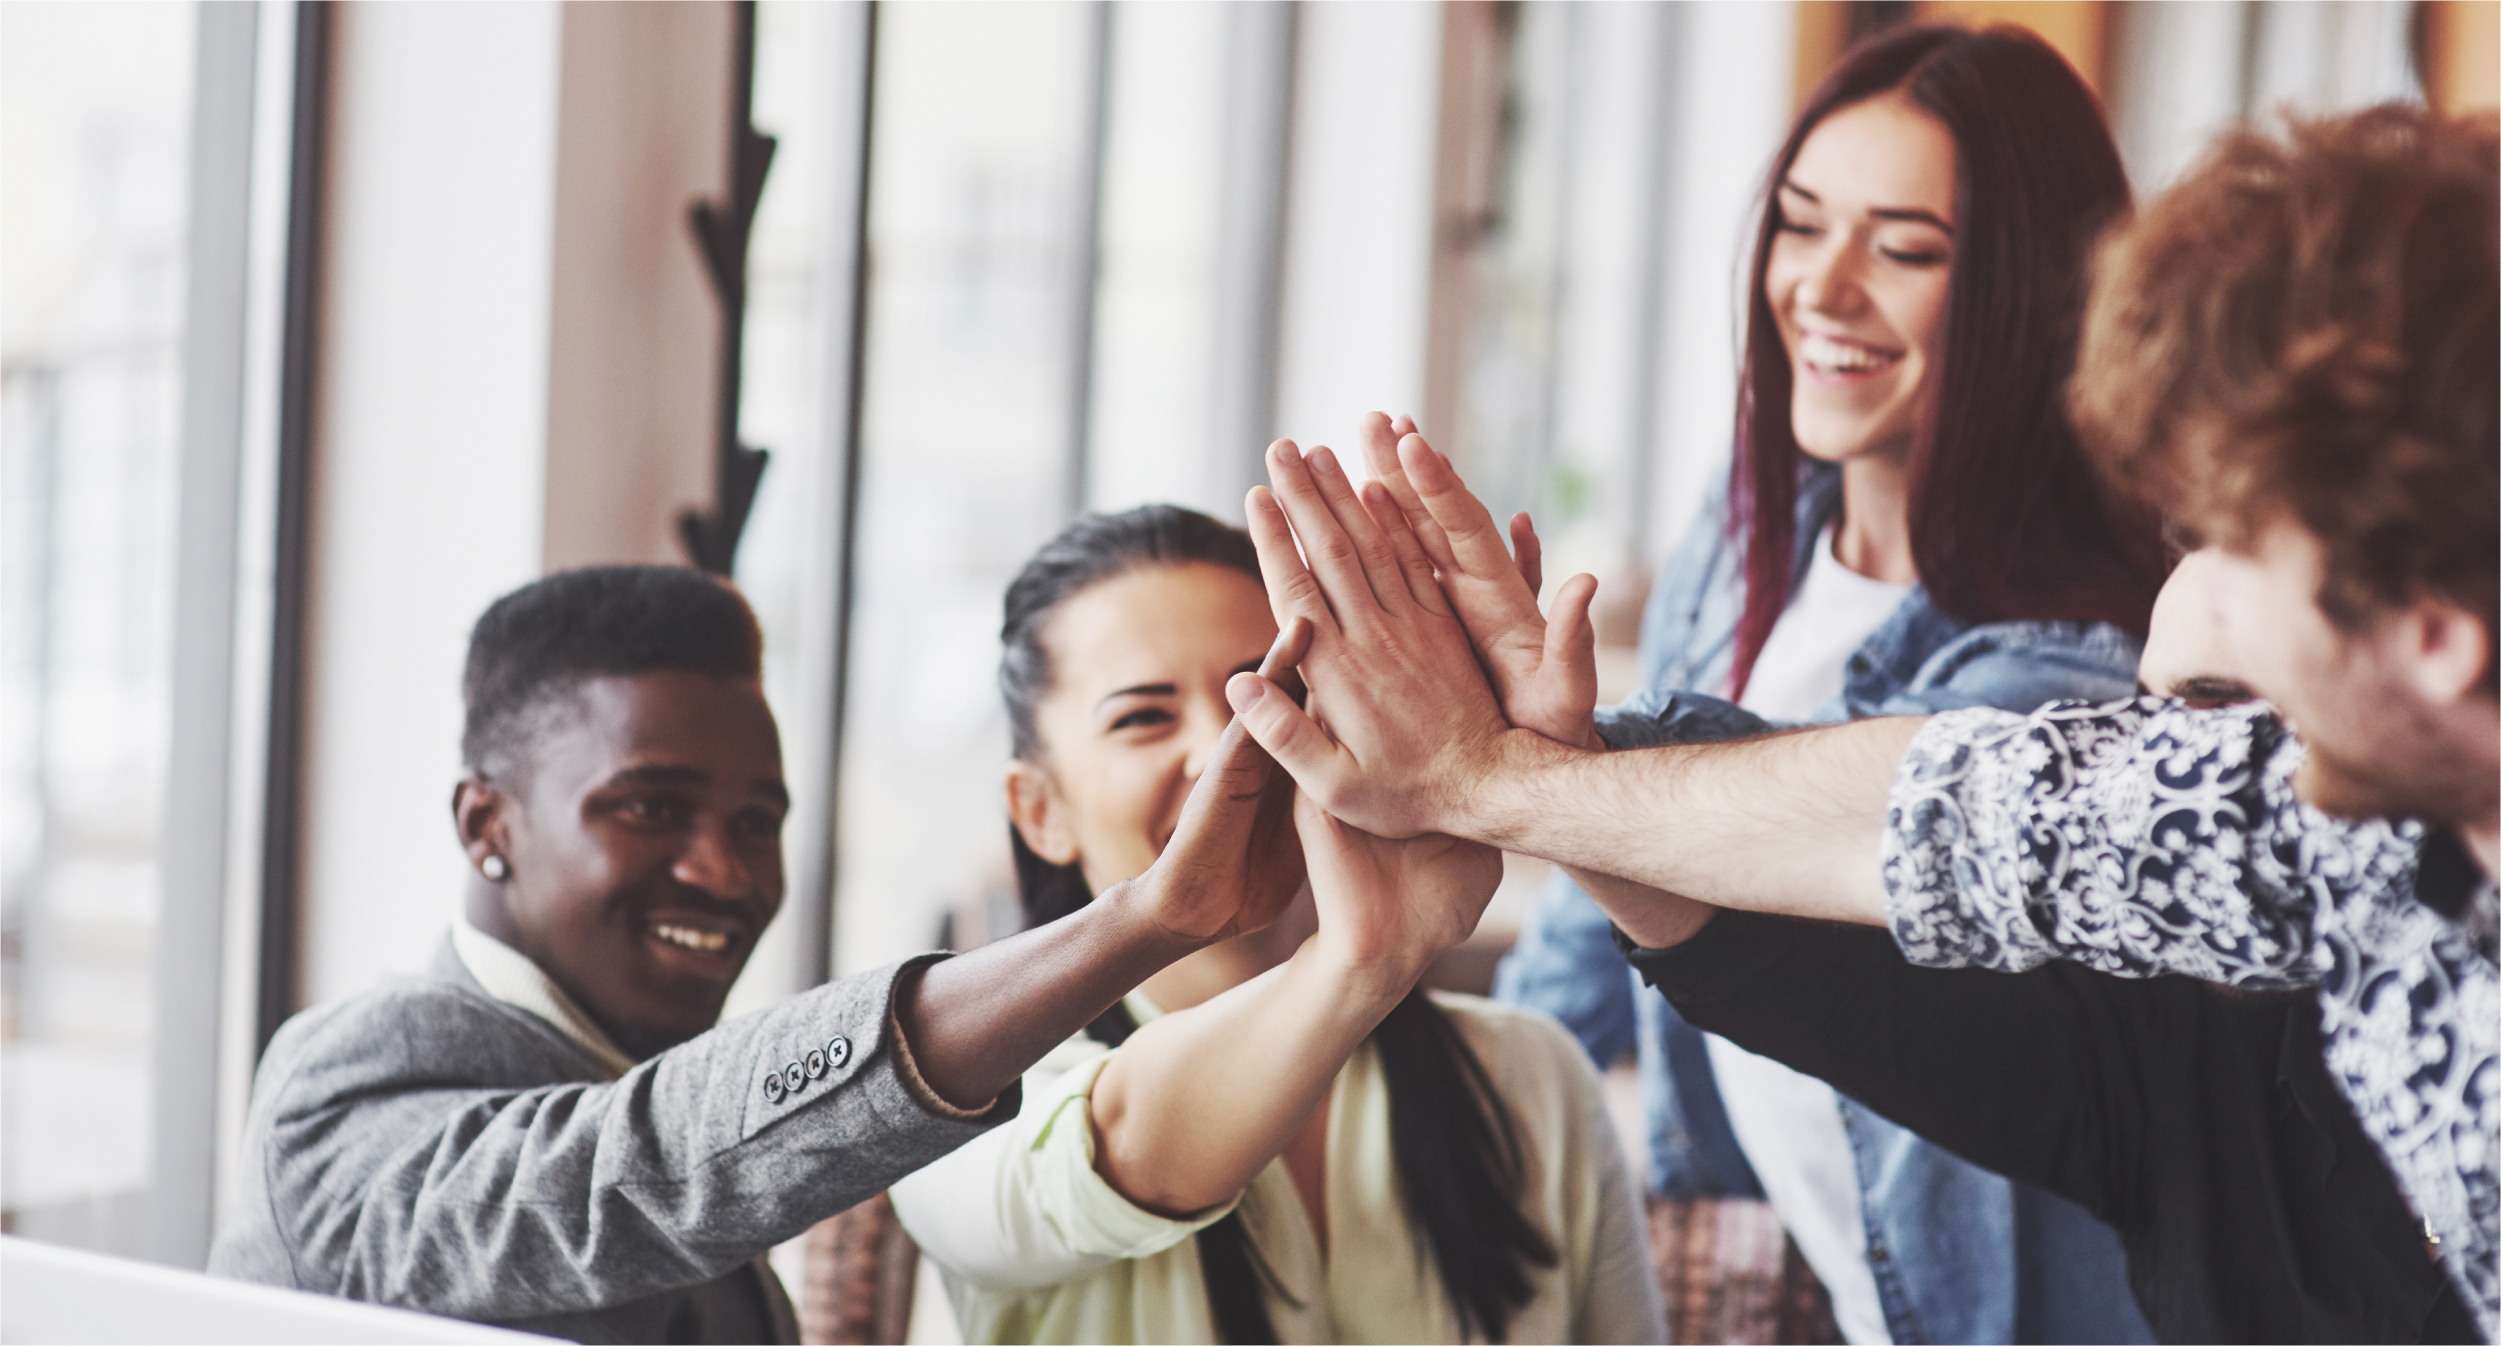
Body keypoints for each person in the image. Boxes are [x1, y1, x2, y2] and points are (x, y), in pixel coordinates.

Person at [1221, 103, 2498, 1338]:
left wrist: (1485, 779)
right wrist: (1519, 777)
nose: (2168, 642)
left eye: (2239, 541)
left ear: (2432, 634)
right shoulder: (2304, 853)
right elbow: (1922, 839)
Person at [1493, 24, 2160, 1343]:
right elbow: (1586, 883)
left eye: (1905, 248)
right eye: (1800, 225)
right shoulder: (1751, 531)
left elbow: (1762, 833)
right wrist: (1483, 1128)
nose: (1822, 287)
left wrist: (1526, 771)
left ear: (2036, 289)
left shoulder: (2070, 669)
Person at [210, 564, 1316, 1341]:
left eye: (755, 820)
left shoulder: (633, 1064)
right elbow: (626, 1174)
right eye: (648, 807)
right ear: (484, 825)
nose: (725, 872)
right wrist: (1144, 917)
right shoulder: (344, 1086)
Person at [1623, 550, 2481, 1342]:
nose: (2158, 774)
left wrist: (1520, 781)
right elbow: (1768, 955)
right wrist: (1546, 764)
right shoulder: (2169, 1038)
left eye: (2212, 723)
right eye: (2150, 720)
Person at [888, 507, 1662, 1344]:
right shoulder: (956, 1107)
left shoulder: (1527, 1076)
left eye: (1269, 696)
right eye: (1142, 717)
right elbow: (1132, 1145)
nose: (1225, 751)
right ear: (1038, 812)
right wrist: (1362, 959)